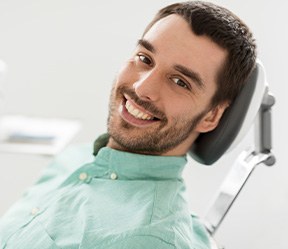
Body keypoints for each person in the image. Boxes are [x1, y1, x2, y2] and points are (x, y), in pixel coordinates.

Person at [0, 1, 256, 248]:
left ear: (211, 116)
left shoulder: (147, 239)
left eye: (180, 82)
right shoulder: (74, 159)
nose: (142, 87)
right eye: (145, 59)